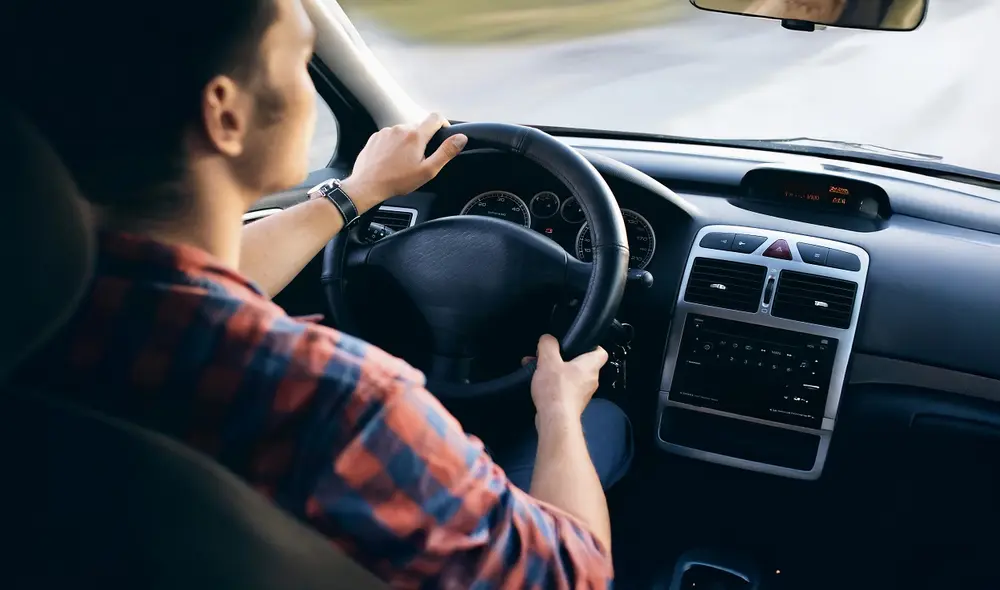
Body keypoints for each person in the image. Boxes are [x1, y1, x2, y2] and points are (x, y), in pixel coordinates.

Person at [6, 0, 633, 587]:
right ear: (226, 114)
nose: (309, 92)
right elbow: (570, 574)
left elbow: (190, 280)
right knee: (599, 428)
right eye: (301, 62)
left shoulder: (41, 306)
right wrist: (556, 408)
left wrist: (355, 194)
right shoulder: (335, 402)